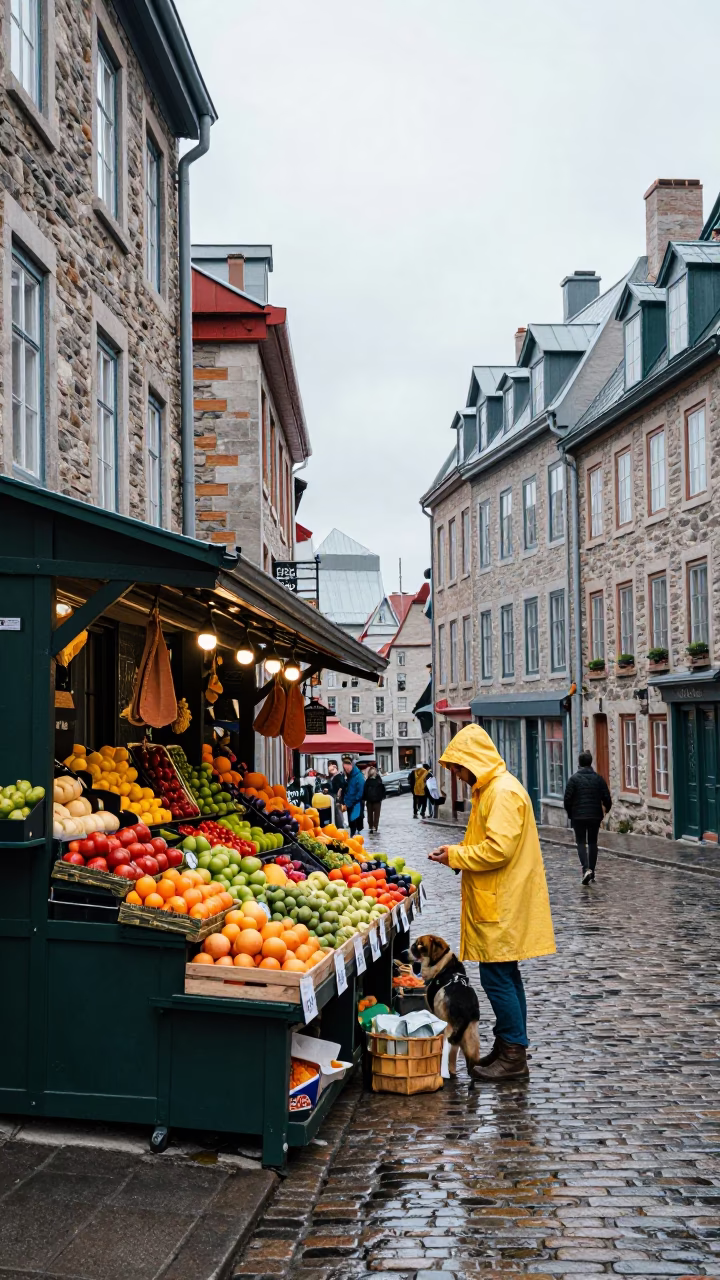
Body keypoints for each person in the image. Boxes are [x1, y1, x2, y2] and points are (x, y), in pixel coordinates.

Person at [428, 724, 555, 1081]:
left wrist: (455, 855)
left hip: (502, 901)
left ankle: (513, 1053)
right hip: (498, 898)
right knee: (505, 976)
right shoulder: (492, 791)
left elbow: (497, 850)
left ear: (472, 761)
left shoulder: (501, 793)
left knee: (498, 977)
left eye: (457, 768)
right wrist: (455, 854)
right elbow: (485, 842)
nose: (455, 775)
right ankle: (509, 1046)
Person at [563, 750, 612, 886]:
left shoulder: (573, 779)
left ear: (579, 763)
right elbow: (607, 797)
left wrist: (570, 813)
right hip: (594, 815)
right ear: (591, 763)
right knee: (592, 842)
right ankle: (592, 871)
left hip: (578, 816)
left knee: (580, 842)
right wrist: (606, 810)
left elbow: (567, 799)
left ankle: (586, 869)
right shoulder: (598, 779)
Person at [341, 754, 365, 836]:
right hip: (349, 803)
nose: (346, 770)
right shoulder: (349, 776)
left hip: (355, 804)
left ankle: (355, 838)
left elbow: (360, 790)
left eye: (347, 768)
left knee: (354, 822)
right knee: (351, 824)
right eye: (345, 768)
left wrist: (354, 800)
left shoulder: (358, 776)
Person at [363, 765, 386, 834]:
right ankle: (374, 827)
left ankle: (372, 826)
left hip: (371, 800)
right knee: (375, 815)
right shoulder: (378, 781)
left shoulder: (368, 781)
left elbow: (365, 791)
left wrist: (364, 799)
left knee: (370, 815)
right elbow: (383, 790)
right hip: (376, 801)